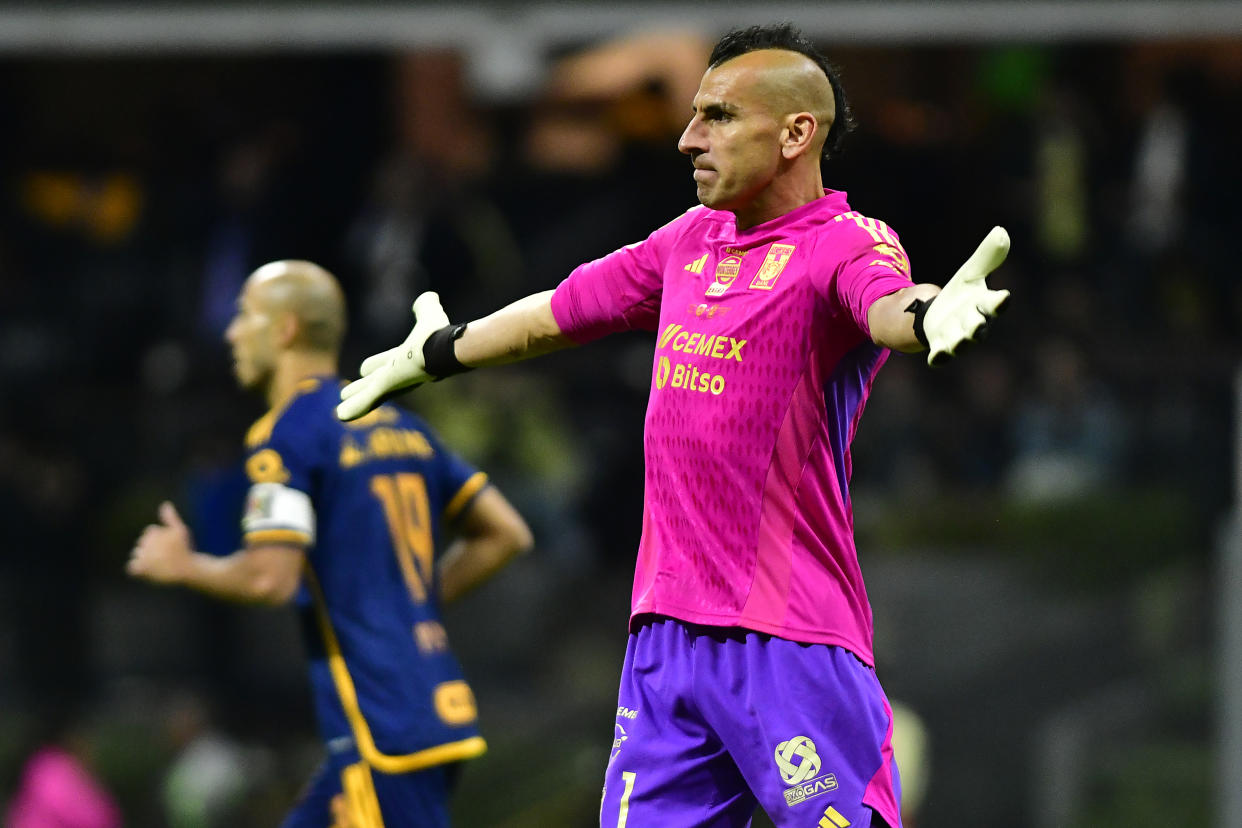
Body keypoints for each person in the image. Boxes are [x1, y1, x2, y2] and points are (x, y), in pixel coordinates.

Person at [337, 23, 1010, 828]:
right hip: (665, 638)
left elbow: (887, 301)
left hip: (787, 637)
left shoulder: (840, 243)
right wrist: (442, 351)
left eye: (719, 116)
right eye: (695, 114)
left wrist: (931, 315)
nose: (689, 138)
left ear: (797, 132)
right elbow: (558, 312)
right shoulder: (687, 242)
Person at [127, 260, 533, 828]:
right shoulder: (399, 423)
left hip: (380, 726)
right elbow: (505, 533)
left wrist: (185, 565)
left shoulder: (285, 434)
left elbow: (272, 578)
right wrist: (412, 602)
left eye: (245, 315)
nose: (231, 332)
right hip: (427, 706)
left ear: (285, 329)